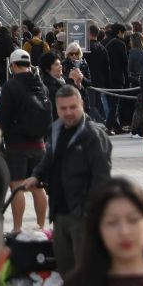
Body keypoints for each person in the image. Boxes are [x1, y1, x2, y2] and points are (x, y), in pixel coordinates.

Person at [36, 84, 112, 274]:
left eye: (73, 107)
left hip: (82, 216)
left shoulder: (93, 135)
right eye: (63, 108)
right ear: (56, 108)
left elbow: (102, 179)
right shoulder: (56, 129)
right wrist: (36, 175)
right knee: (65, 270)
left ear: (82, 105)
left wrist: (89, 212)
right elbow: (49, 159)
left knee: (86, 273)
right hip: (59, 212)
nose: (68, 112)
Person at [0, 49, 52, 237]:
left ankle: (17, 227)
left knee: (17, 185)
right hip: (39, 143)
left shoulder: (11, 86)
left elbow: (3, 117)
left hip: (17, 144)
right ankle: (41, 226)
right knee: (38, 186)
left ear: (12, 65)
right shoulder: (41, 85)